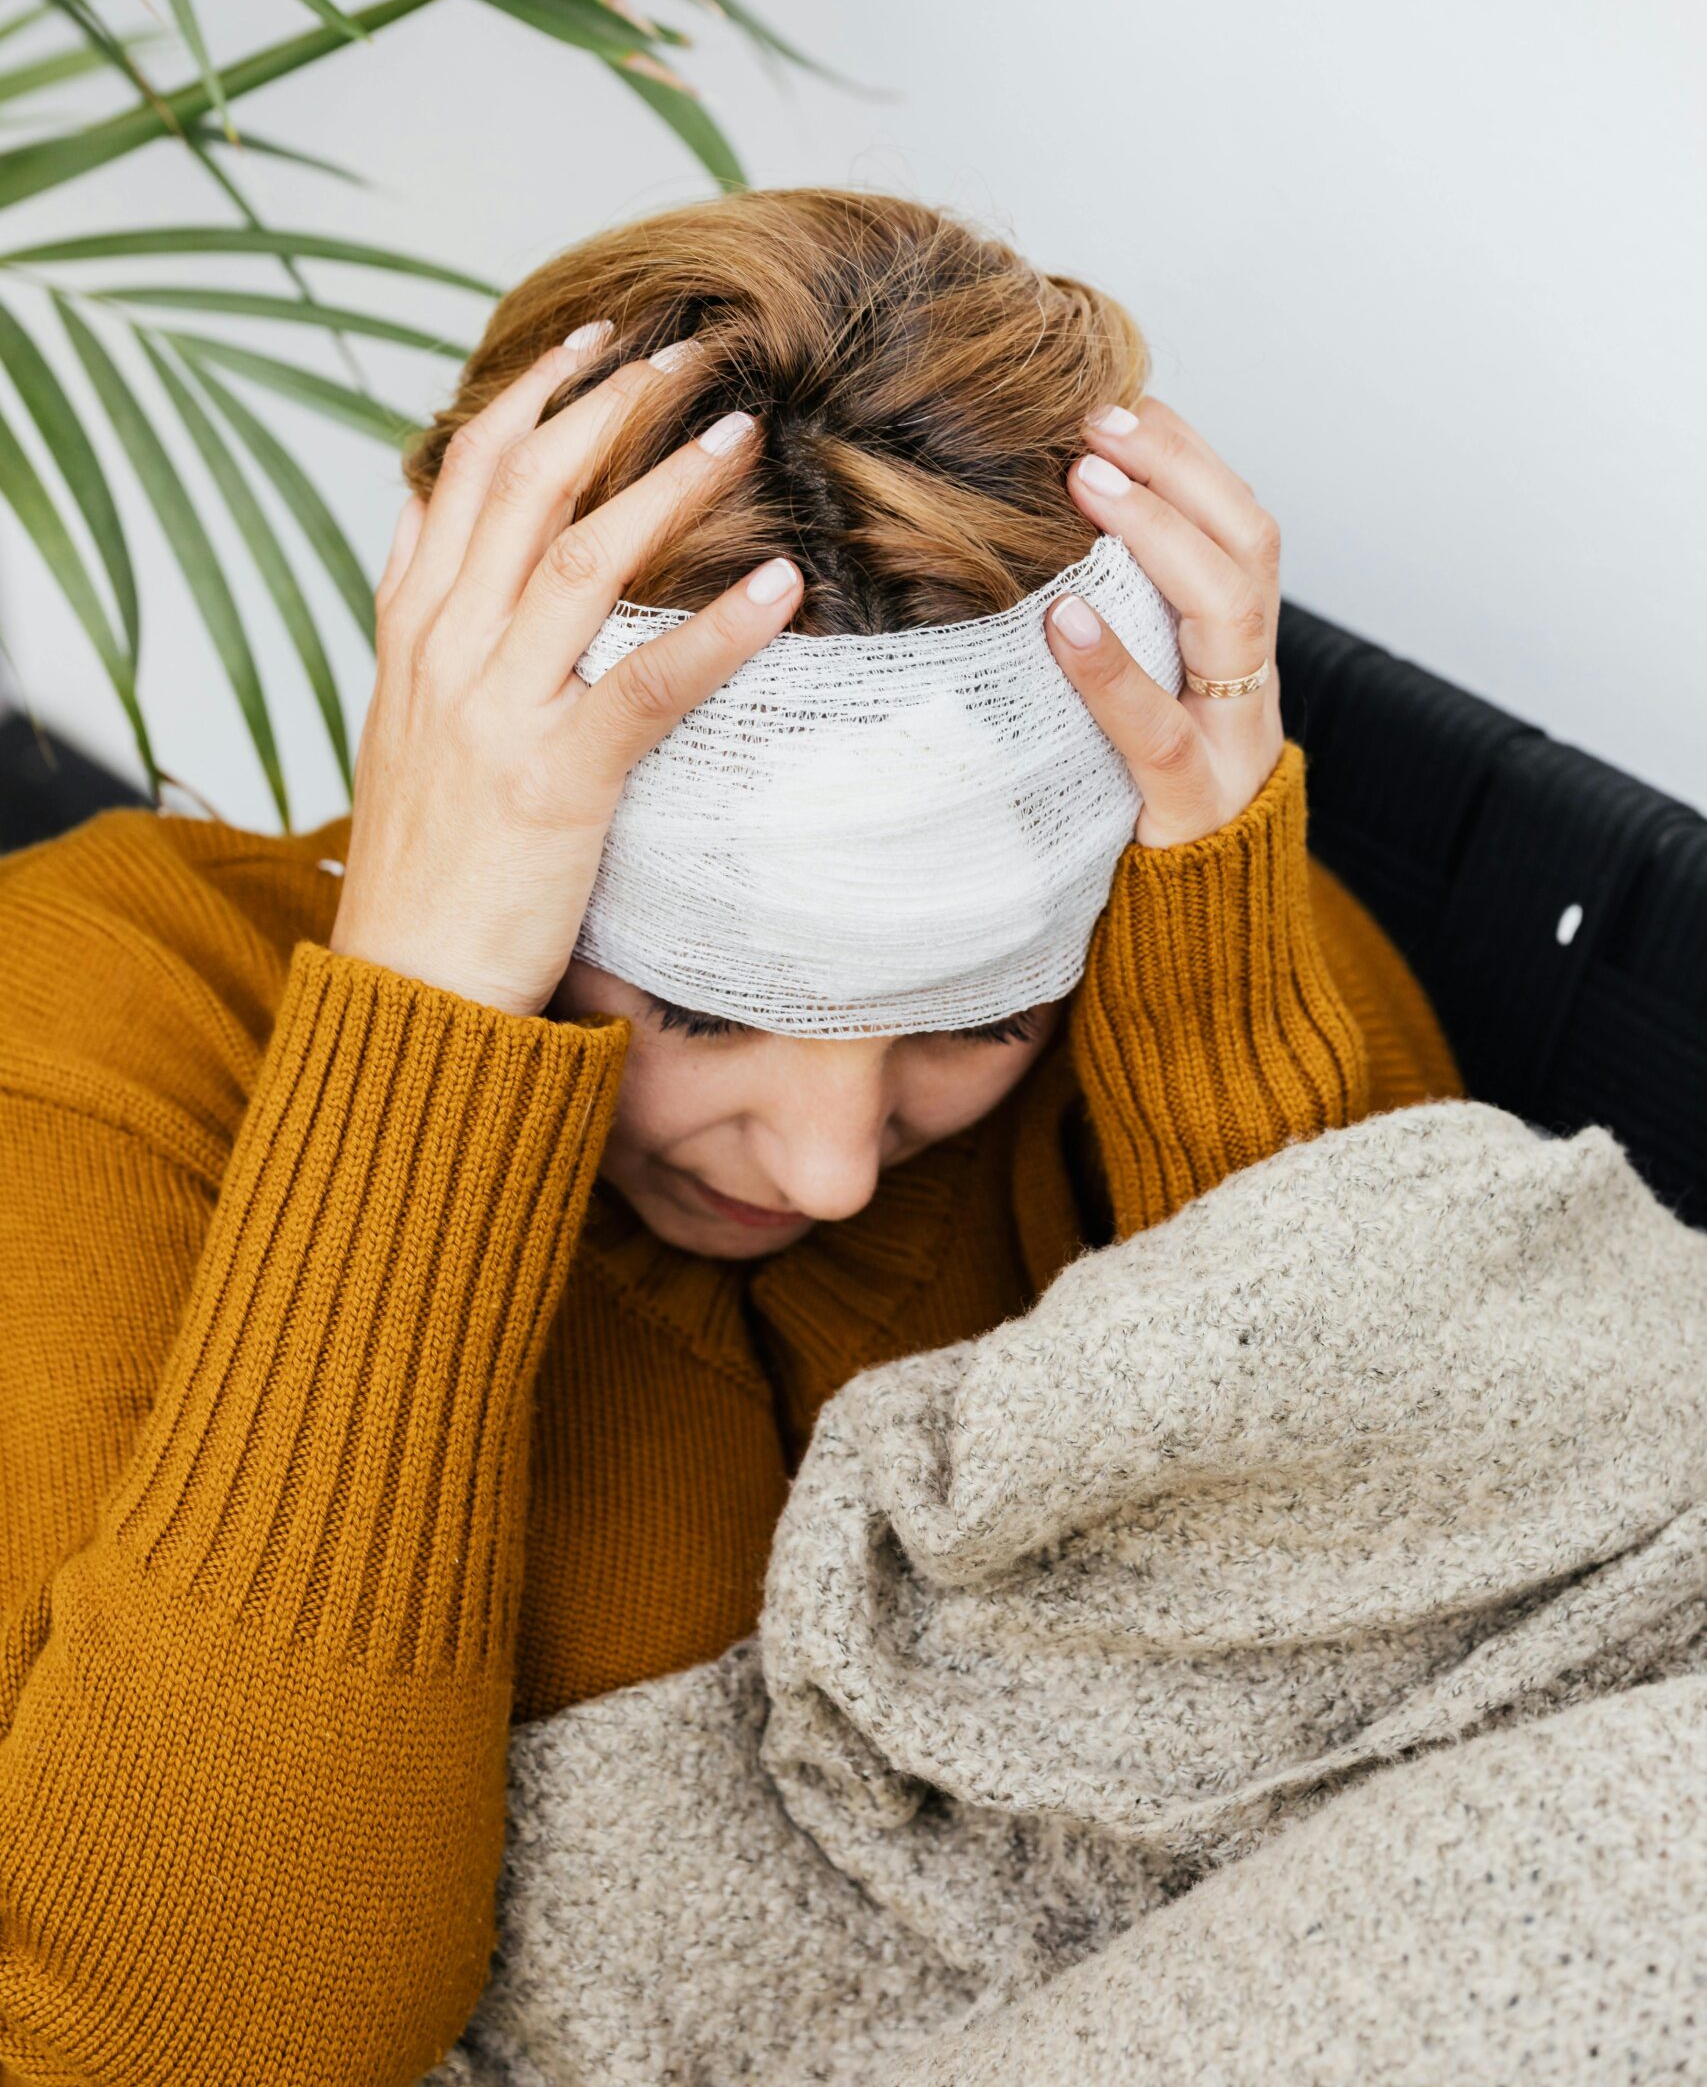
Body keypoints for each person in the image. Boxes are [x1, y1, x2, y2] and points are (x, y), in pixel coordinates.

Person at [0, 191, 1461, 2085]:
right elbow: (196, 2045)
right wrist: (432, 1020)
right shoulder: (98, 1029)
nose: (830, 1168)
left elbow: (1451, 1681)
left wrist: (1218, 978)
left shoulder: (1183, 945)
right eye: (696, 1004)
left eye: (971, 1017)